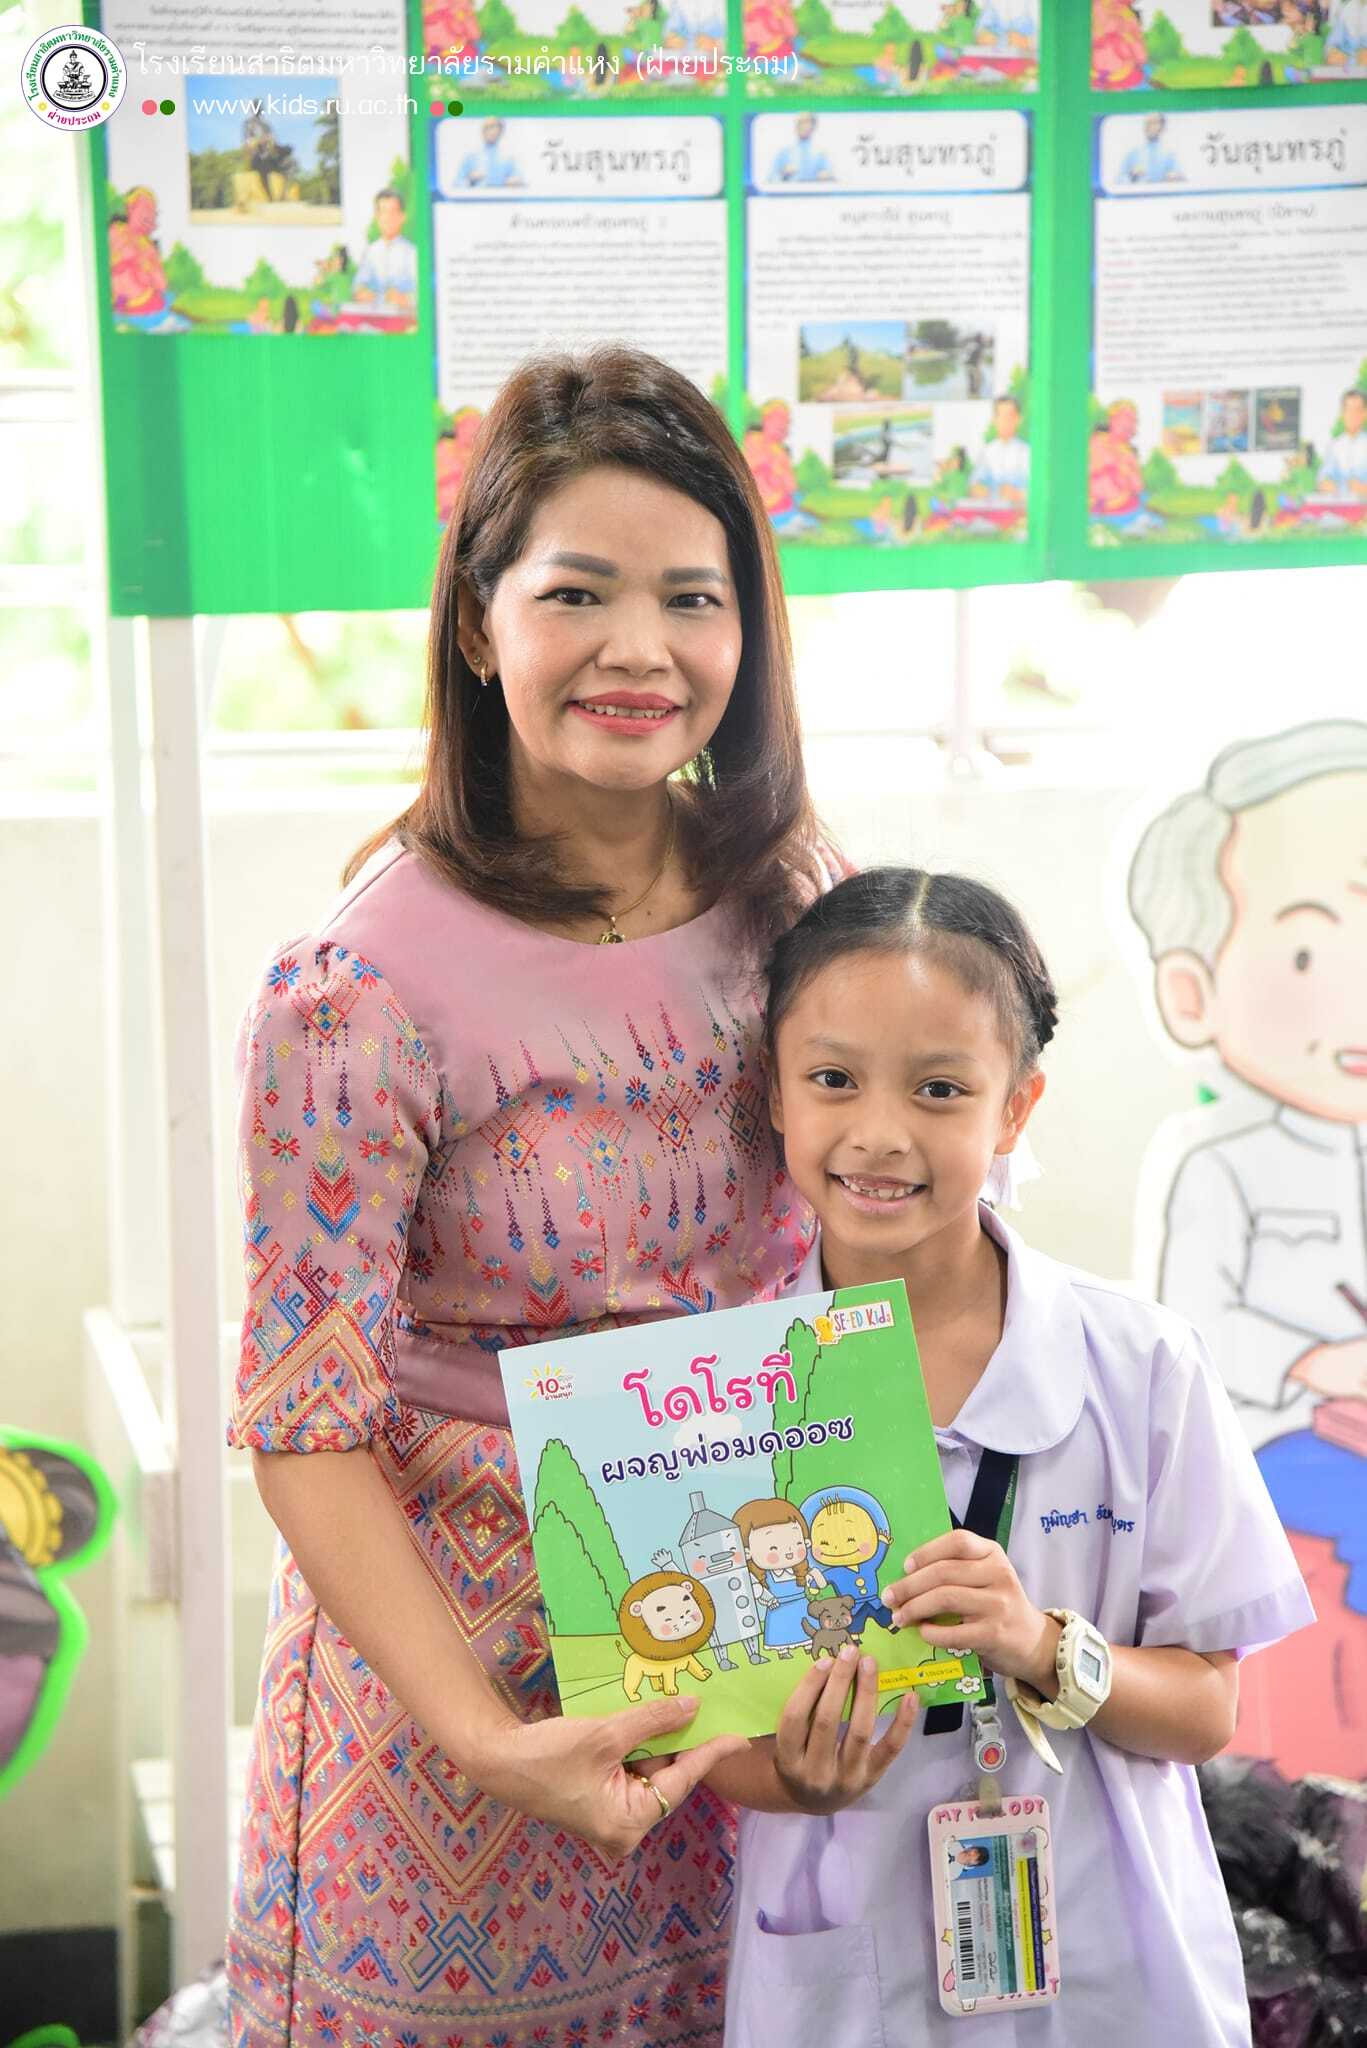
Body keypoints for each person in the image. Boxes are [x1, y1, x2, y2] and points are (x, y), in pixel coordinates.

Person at [224, 345, 835, 2047]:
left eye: (691, 598)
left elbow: (868, 1257)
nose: (641, 649)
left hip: (740, 1636)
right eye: (576, 593)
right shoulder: (354, 992)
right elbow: (304, 1421)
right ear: (481, 626)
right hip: (455, 1703)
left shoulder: (797, 907)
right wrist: (491, 1738)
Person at [705, 867, 1313, 2045]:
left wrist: (1040, 1644)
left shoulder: (1141, 1365)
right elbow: (720, 1733)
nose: (879, 1132)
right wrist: (796, 1779)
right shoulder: (718, 1395)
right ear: (773, 1088)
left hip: (1110, 1961)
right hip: (850, 1959)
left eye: (939, 1088)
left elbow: (1204, 1707)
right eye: (832, 1079)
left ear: (1014, 1107)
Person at [1128, 723, 1367, 1779]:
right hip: (1280, 1445)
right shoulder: (1219, 1166)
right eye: (1310, 955)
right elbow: (1196, 1325)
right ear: (1191, 991)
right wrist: (1317, 1360)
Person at [351, 187, 418, 312]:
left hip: (404, 318)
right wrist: (361, 292)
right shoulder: (371, 251)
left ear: (402, 217)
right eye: (383, 212)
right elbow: (358, 285)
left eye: (393, 212)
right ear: (377, 217)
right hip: (375, 318)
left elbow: (425, 292)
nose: (388, 218)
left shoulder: (412, 253)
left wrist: (406, 299)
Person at [968, 393, 1030, 503]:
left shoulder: (1027, 453)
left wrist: (1017, 494)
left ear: (1018, 419)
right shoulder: (987, 452)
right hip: (992, 510)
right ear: (994, 420)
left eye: (1009, 417)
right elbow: (974, 486)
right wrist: (981, 490)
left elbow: (1036, 491)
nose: (1004, 422)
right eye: (1000, 416)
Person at [1318, 385, 1367, 494]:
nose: (1352, 415)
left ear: (1365, 413)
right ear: (1342, 413)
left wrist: (1363, 489)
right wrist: (1327, 484)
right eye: (1348, 410)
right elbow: (1323, 479)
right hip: (1340, 502)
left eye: (1357, 410)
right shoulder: (1335, 446)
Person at [455, 115, 525, 189]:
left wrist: (515, 182)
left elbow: (520, 180)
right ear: (482, 131)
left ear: (501, 131)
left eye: (495, 128)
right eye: (488, 127)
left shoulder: (509, 158)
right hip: (477, 195)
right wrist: (470, 180)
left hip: (501, 195)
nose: (492, 132)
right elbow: (457, 184)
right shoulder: (470, 156)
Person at [769, 112, 836, 182]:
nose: (804, 126)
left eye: (807, 123)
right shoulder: (784, 152)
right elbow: (770, 179)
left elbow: (833, 179)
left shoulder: (821, 154)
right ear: (796, 126)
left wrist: (827, 177)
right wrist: (783, 174)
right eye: (801, 123)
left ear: (813, 127)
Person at [1120, 112, 1185, 184]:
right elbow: (1118, 181)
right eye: (1147, 122)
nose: (1149, 126)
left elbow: (1182, 179)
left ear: (1162, 127)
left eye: (1153, 122)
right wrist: (1132, 175)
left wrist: (1175, 177)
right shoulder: (1133, 153)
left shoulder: (1169, 154)